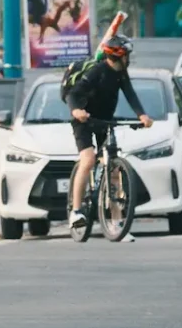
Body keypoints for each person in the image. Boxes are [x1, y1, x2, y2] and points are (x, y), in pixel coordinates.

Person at [65, 34, 153, 227]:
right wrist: (76, 110)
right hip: (84, 120)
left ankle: (116, 221)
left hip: (104, 121)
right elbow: (74, 93)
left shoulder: (121, 73)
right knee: (87, 160)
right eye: (127, 55)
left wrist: (142, 115)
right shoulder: (97, 71)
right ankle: (76, 212)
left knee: (113, 168)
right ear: (119, 56)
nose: (128, 59)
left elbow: (130, 93)